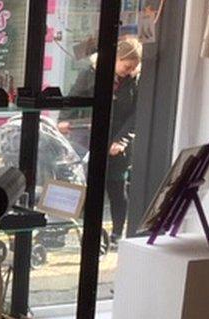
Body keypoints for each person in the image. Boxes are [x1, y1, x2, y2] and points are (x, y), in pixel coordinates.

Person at [59, 37, 142, 247]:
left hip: (117, 143)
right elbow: (74, 96)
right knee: (81, 185)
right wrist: (64, 120)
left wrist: (121, 141)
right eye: (127, 65)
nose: (129, 70)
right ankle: (66, 230)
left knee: (117, 187)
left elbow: (136, 115)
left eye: (133, 67)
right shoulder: (91, 73)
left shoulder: (135, 81)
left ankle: (116, 233)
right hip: (89, 137)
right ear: (117, 59)